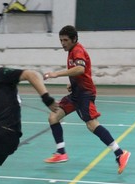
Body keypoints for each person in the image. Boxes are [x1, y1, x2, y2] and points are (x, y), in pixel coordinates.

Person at [43, 25, 130, 174]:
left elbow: (80, 69)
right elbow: (79, 73)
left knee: (91, 124)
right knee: (53, 116)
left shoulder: (77, 50)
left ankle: (120, 153)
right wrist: (72, 84)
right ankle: (61, 152)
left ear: (74, 39)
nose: (62, 43)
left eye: (65, 40)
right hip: (76, 93)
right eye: (61, 40)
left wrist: (56, 74)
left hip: (85, 94)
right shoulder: (71, 50)